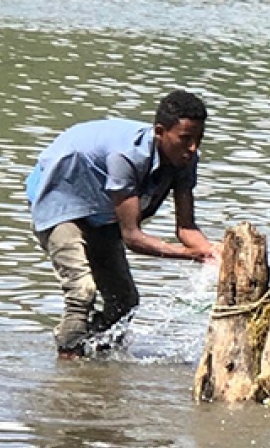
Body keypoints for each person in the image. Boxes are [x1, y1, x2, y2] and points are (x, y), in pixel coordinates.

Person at [25, 91, 217, 355]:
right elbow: (132, 237)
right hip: (60, 197)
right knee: (82, 292)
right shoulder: (126, 157)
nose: (193, 148)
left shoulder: (184, 160)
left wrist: (213, 253)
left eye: (199, 139)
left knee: (124, 302)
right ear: (160, 132)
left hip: (100, 208)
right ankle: (70, 366)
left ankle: (95, 353)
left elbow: (186, 228)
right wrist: (189, 255)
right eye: (185, 139)